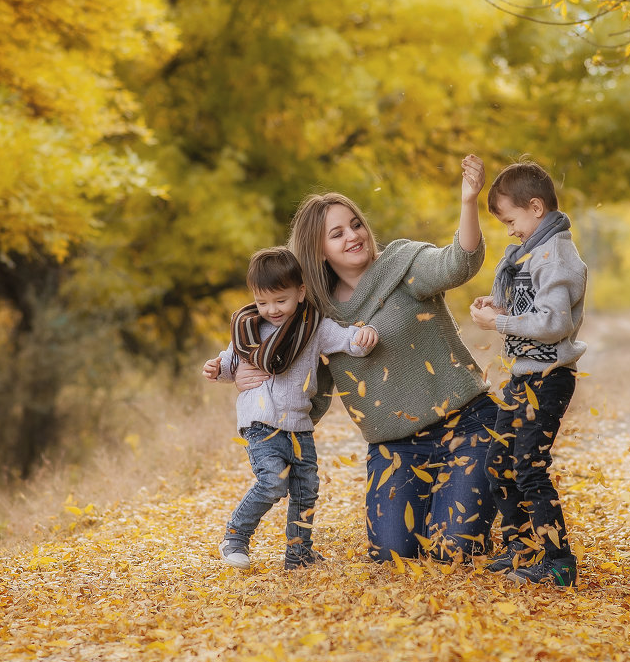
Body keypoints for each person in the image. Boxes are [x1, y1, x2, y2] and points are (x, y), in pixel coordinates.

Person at [233, 155, 495, 563]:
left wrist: (468, 201)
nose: (353, 235)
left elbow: (459, 263)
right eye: (336, 234)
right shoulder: (314, 318)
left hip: (466, 425)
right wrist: (254, 384)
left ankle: (483, 509)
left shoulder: (404, 265)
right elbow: (305, 390)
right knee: (393, 557)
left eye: (355, 224)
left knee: (453, 551)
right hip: (395, 448)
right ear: (318, 252)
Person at [203, 247, 379, 570]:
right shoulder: (249, 329)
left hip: (298, 424)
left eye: (280, 300)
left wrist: (364, 336)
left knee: (305, 487)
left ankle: (299, 554)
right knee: (273, 480)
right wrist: (217, 368)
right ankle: (235, 536)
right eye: (262, 302)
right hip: (261, 421)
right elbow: (230, 362)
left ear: (300, 292)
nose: (271, 310)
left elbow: (346, 340)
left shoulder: (313, 328)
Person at [469, 160, 587, 587]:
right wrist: (501, 310)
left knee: (529, 467)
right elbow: (531, 313)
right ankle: (524, 547)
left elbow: (554, 324)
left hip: (549, 377)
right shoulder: (531, 253)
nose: (509, 229)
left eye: (510, 219)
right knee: (499, 463)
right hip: (523, 378)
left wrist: (499, 324)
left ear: (535, 208)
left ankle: (558, 562)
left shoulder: (557, 257)